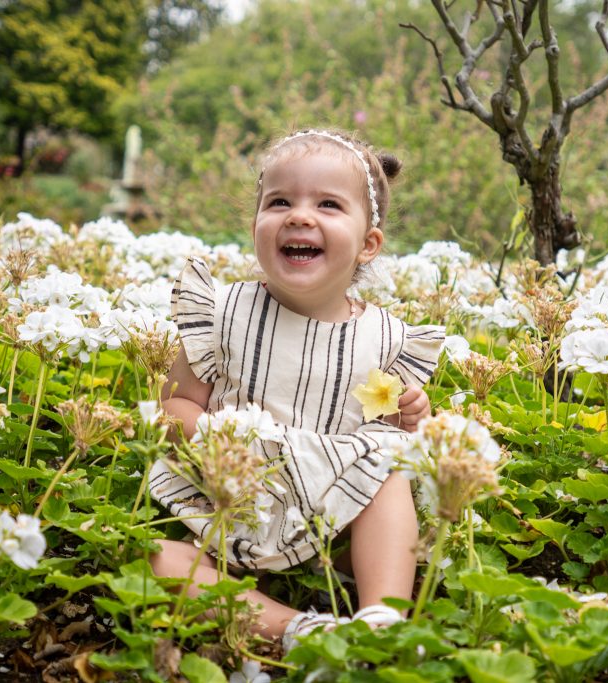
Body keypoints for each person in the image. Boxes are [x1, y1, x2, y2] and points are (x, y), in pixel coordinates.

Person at [148, 129, 445, 650]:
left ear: (369, 244)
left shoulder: (384, 338)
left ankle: (382, 618)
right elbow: (173, 407)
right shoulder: (223, 315)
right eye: (279, 201)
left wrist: (411, 416)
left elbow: (384, 433)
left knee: (389, 477)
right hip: (226, 496)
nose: (299, 215)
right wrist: (220, 444)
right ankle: (295, 627)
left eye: (328, 204)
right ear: (256, 225)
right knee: (156, 557)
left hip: (332, 505)